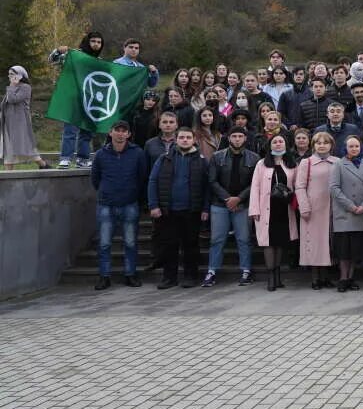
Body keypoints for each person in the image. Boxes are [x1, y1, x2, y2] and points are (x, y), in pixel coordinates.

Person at [147, 126, 209, 289]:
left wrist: (205, 208)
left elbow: (207, 186)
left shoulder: (202, 161)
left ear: (194, 140)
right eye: (182, 137)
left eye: (188, 137)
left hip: (192, 210)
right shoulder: (164, 158)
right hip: (169, 210)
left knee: (191, 245)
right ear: (176, 139)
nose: (185, 140)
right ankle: (169, 278)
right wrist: (153, 205)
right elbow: (152, 181)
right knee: (169, 245)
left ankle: (191, 276)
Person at [89, 120, 148, 289]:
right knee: (104, 243)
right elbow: (95, 178)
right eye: (117, 130)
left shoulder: (137, 153)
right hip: (106, 204)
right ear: (110, 132)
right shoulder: (101, 154)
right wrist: (105, 192)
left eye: (124, 131)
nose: (120, 134)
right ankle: (104, 276)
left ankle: (130, 274)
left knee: (130, 242)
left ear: (129, 134)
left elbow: (142, 177)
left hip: (130, 203)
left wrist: (137, 197)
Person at [203, 125, 260, 287]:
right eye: (234, 136)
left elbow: (254, 183)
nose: (237, 139)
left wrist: (239, 199)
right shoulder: (217, 156)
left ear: (245, 138)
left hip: (243, 204)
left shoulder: (254, 158)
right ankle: (212, 271)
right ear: (229, 138)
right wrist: (228, 199)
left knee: (244, 239)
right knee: (217, 239)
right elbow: (212, 181)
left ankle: (246, 271)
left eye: (240, 136)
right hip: (220, 204)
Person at [248, 133, 298, 292]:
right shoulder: (261, 164)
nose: (278, 144)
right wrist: (254, 209)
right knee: (268, 243)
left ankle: (278, 276)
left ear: (286, 144)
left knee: (280, 242)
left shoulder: (291, 165)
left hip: (284, 209)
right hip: (266, 209)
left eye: (281, 141)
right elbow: (255, 187)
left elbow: (297, 187)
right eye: (275, 142)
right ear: (270, 145)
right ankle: (270, 277)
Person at [51, 32, 105, 168]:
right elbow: (52, 60)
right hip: (74, 99)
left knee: (86, 132)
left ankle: (83, 159)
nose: (96, 44)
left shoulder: (100, 61)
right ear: (87, 41)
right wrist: (57, 51)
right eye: (93, 41)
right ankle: (65, 158)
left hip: (91, 101)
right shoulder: (74, 55)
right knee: (70, 130)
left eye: (99, 42)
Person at [329, 134, 363, 292]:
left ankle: (351, 277)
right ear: (345, 148)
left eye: (357, 146)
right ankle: (343, 278)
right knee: (343, 251)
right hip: (344, 213)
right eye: (351, 146)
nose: (354, 149)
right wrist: (351, 206)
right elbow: (334, 188)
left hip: (361, 212)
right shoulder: (338, 164)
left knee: (355, 250)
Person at [296, 131, 337, 289]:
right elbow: (299, 187)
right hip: (313, 209)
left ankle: (326, 277)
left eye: (325, 143)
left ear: (331, 145)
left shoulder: (337, 162)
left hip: (332, 208)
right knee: (313, 243)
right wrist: (304, 207)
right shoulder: (306, 163)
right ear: (313, 145)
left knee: (327, 243)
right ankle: (315, 278)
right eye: (318, 143)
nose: (322, 145)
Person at [2, 66, 47, 169]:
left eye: (12, 74)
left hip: (20, 122)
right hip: (8, 122)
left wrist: (12, 85)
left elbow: (13, 99)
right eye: (9, 74)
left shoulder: (25, 87)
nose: (10, 76)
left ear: (19, 75)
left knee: (26, 145)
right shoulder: (12, 87)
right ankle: (8, 177)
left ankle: (43, 165)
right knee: (8, 148)